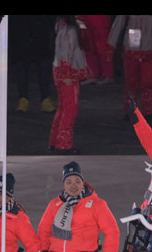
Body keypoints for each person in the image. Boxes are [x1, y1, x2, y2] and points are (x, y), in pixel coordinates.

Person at [48, 16, 92, 155]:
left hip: (62, 71)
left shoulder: (63, 26)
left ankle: (55, 142)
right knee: (69, 109)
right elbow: (66, 52)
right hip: (67, 74)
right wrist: (67, 73)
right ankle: (63, 144)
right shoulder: (69, 30)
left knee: (63, 108)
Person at [108, 15, 152, 120]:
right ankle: (130, 110)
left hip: (149, 50)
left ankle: (148, 112)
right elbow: (117, 25)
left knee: (147, 82)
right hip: (133, 50)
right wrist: (111, 46)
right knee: (131, 82)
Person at [9, 16, 56, 113]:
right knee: (22, 68)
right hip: (21, 35)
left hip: (40, 34)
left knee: (43, 67)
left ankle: (45, 99)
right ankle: (23, 99)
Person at [77, 15, 114, 85]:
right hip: (85, 19)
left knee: (103, 47)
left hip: (100, 20)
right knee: (89, 46)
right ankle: (93, 75)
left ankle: (107, 74)